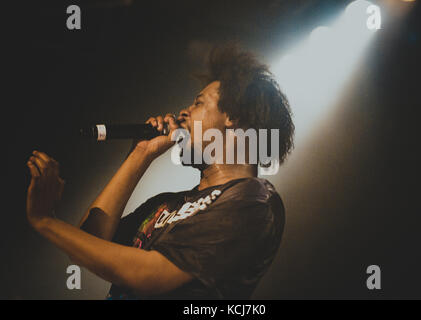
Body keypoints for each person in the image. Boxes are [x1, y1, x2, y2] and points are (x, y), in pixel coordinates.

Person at [25, 44, 295, 299]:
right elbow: (88, 244)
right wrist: (140, 154)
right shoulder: (167, 203)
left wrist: (45, 221)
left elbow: (149, 275)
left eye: (198, 103)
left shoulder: (253, 200)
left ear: (233, 115)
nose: (183, 112)